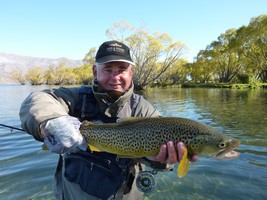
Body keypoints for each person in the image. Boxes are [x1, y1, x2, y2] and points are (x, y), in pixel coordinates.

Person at [19, 40, 198, 200]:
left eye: (121, 70)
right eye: (108, 70)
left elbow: (162, 154)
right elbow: (36, 101)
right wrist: (51, 120)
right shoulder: (75, 98)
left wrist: (161, 160)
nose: (115, 77)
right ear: (95, 71)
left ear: (131, 72)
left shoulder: (144, 110)